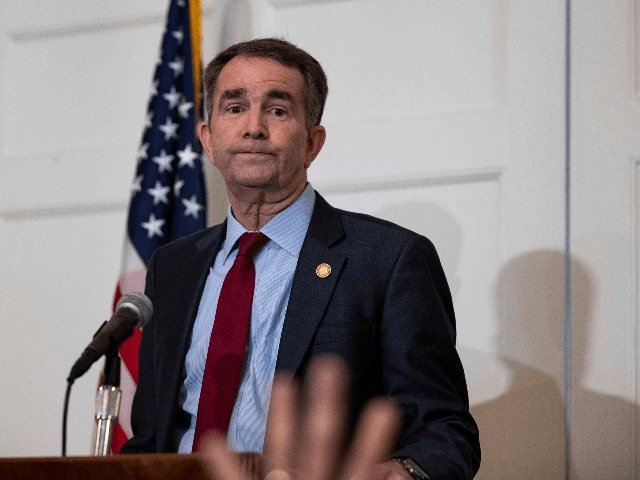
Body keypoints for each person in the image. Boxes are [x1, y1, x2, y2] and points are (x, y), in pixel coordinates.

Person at [121, 38, 480, 480]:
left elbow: (445, 430)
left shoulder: (390, 259)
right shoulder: (172, 266)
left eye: (277, 110)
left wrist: (401, 473)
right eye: (234, 108)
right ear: (208, 139)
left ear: (313, 142)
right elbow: (150, 434)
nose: (253, 127)